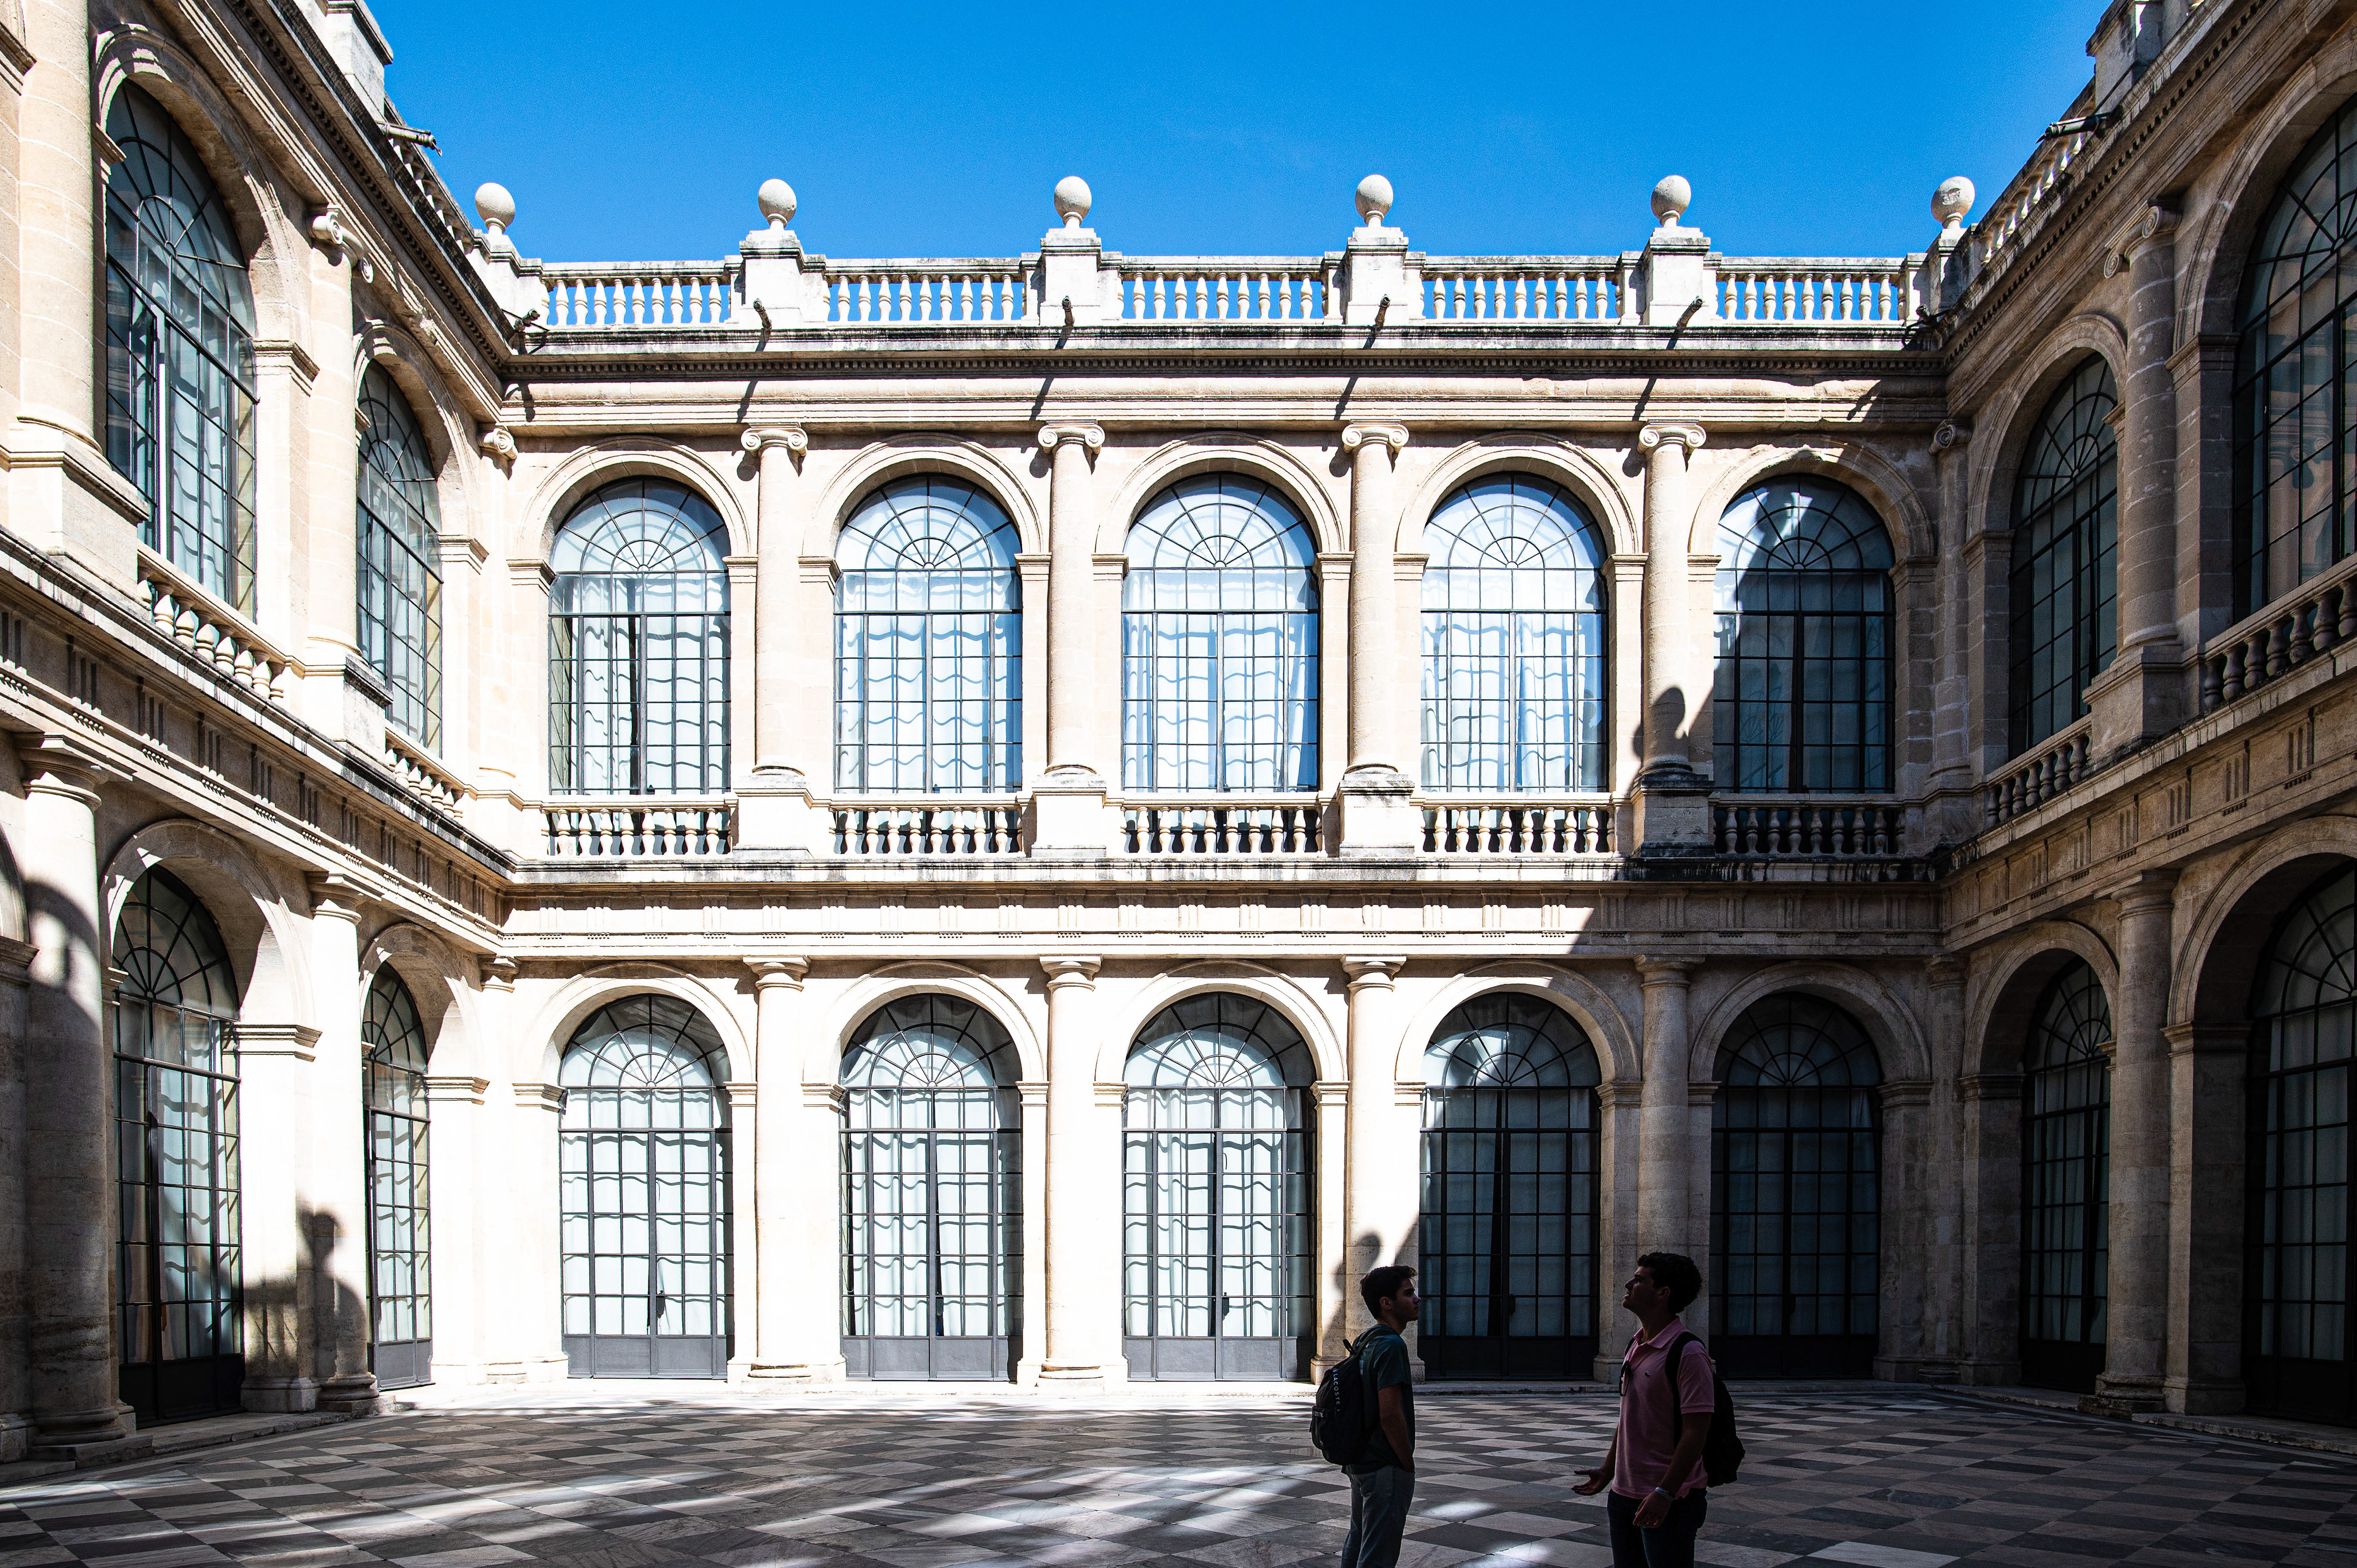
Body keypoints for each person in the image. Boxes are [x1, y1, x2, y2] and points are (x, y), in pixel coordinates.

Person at [1574, 1252, 1714, 1568]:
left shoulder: (1688, 1353)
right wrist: (1609, 1471)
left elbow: (1696, 1432)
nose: (1628, 1284)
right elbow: (1630, 1418)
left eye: (1639, 1280)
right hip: (1624, 1493)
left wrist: (1665, 1493)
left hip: (1670, 1498)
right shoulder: (1635, 1344)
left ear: (1663, 1293)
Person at [1339, 1265, 1419, 1568]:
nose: (1417, 1299)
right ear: (1386, 1303)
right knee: (1378, 1555)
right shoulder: (1392, 1345)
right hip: (1385, 1463)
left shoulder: (1366, 1340)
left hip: (1360, 1459)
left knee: (1358, 1541)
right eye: (1408, 1293)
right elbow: (1390, 1413)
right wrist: (1406, 1463)